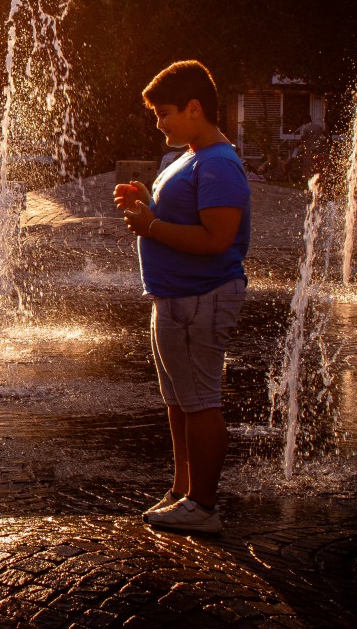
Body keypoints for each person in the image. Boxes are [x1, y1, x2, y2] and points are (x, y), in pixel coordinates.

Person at [113, 60, 250, 534]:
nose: (160, 123)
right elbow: (184, 219)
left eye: (165, 112)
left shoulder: (218, 163)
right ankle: (182, 490)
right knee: (179, 400)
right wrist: (146, 204)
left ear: (195, 108)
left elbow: (217, 239)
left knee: (200, 401)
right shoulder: (192, 157)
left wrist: (150, 224)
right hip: (175, 297)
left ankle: (204, 505)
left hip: (202, 297)